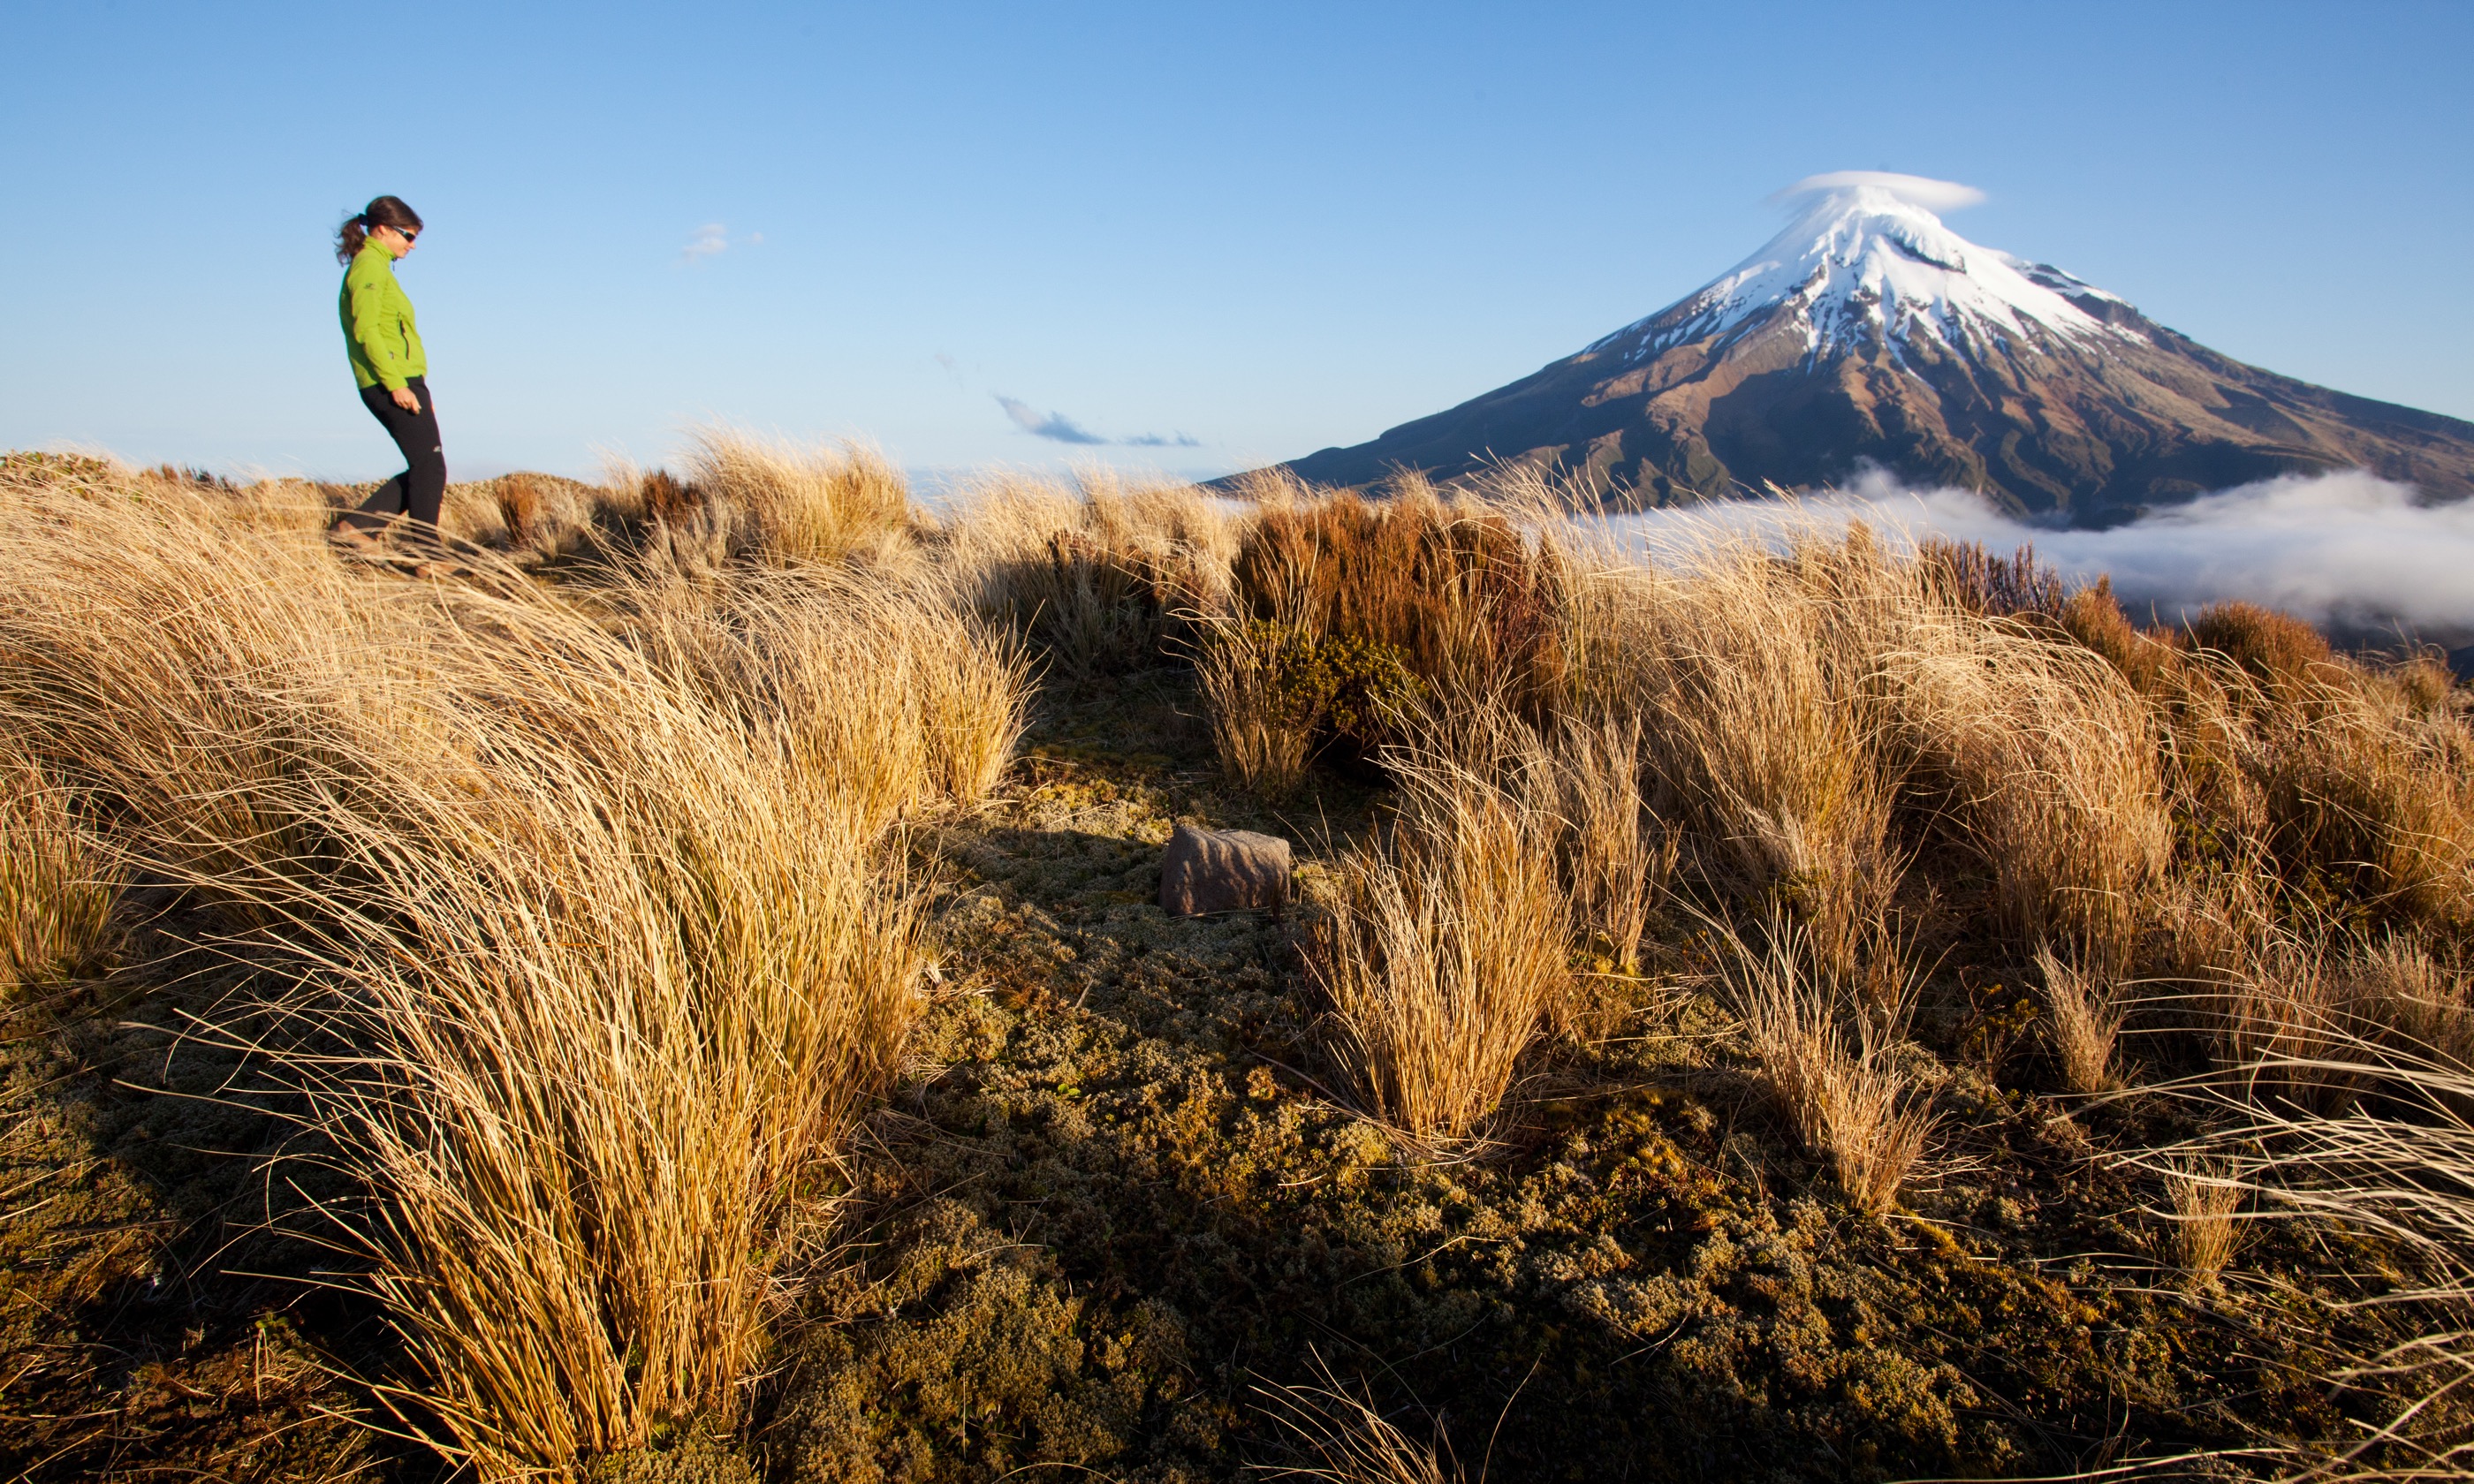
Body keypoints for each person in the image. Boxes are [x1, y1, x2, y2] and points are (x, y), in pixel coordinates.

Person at [332, 195, 445, 549]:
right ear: (382, 229)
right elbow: (367, 329)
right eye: (407, 236)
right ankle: (427, 554)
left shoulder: (378, 267)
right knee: (429, 467)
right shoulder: (369, 266)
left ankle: (357, 529)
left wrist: (419, 387)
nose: (412, 246)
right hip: (388, 380)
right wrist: (396, 384)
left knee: (427, 467)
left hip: (404, 379)